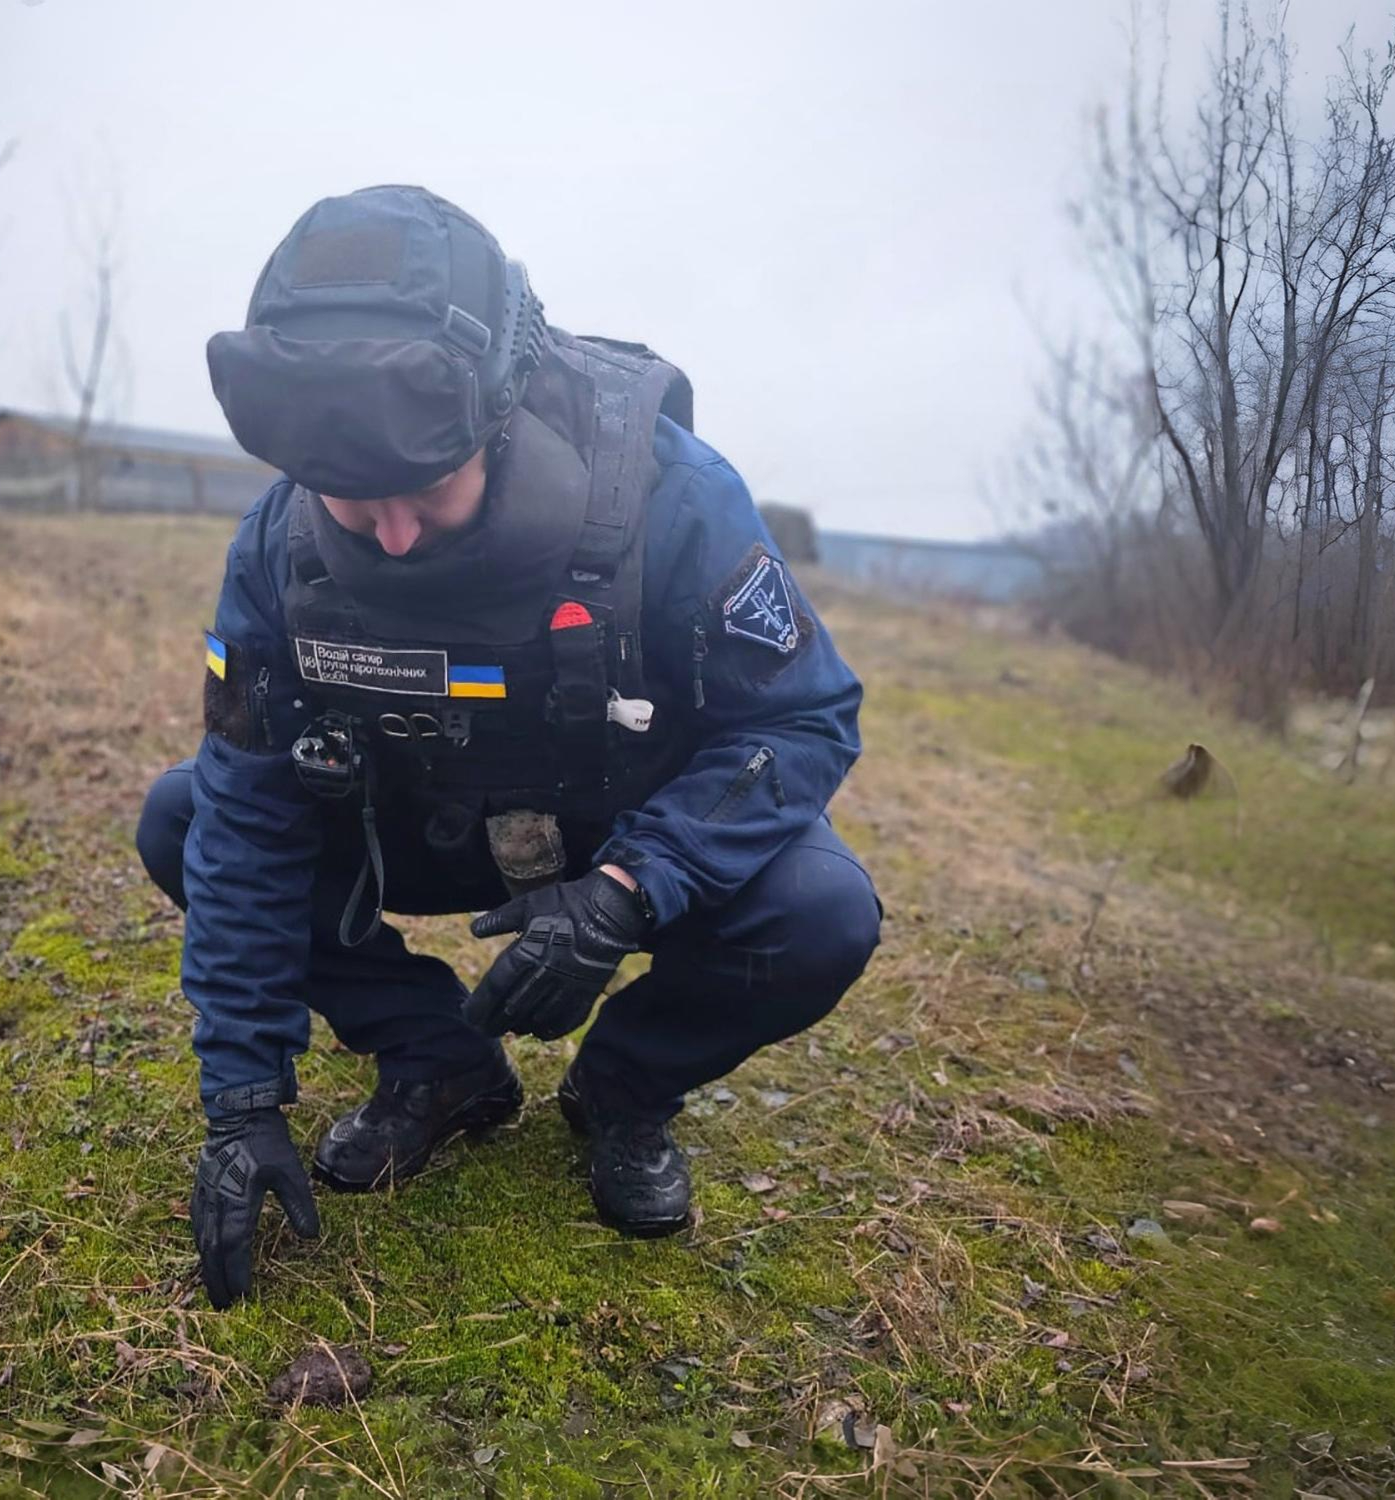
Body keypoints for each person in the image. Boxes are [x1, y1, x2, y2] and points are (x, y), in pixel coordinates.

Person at [137, 186, 881, 1309]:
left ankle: (624, 1090)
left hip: (618, 825)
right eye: (350, 501)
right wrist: (239, 1102)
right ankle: (438, 1061)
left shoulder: (673, 498)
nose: (391, 535)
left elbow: (801, 718)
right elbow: (246, 816)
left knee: (819, 911)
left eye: (425, 490)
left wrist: (630, 890)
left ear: (499, 414)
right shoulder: (277, 545)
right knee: (181, 819)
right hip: (415, 823)